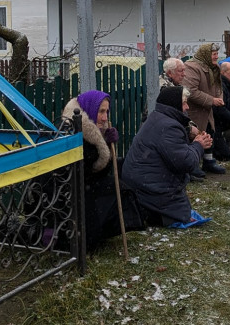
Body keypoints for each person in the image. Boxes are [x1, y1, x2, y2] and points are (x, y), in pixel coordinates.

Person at [61, 90, 144, 251]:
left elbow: (99, 171)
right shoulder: (73, 131)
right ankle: (84, 236)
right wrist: (103, 144)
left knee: (122, 189)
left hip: (83, 186)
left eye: (107, 111)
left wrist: (105, 144)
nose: (105, 117)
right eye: (101, 111)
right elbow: (84, 173)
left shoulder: (93, 132)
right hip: (67, 195)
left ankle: (99, 233)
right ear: (89, 108)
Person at [121, 86, 212, 227]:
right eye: (184, 103)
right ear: (175, 104)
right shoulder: (169, 127)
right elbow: (186, 162)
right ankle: (151, 216)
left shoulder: (158, 118)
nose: (187, 107)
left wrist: (189, 134)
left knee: (181, 211)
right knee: (181, 215)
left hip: (141, 184)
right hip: (151, 188)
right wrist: (198, 145)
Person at [182, 44, 226, 174]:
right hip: (194, 110)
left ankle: (209, 162)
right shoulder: (192, 67)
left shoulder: (213, 67)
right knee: (193, 136)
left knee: (208, 134)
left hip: (206, 110)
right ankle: (193, 165)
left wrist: (219, 97)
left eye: (217, 54)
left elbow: (218, 86)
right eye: (214, 54)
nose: (216, 56)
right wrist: (211, 100)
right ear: (206, 54)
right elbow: (191, 91)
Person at [159, 55, 205, 177]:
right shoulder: (164, 89)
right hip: (164, 128)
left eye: (184, 70)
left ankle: (191, 167)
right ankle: (187, 168)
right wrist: (189, 128)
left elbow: (182, 114)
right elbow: (174, 115)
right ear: (170, 73)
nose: (184, 74)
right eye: (181, 71)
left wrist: (192, 126)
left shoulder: (175, 86)